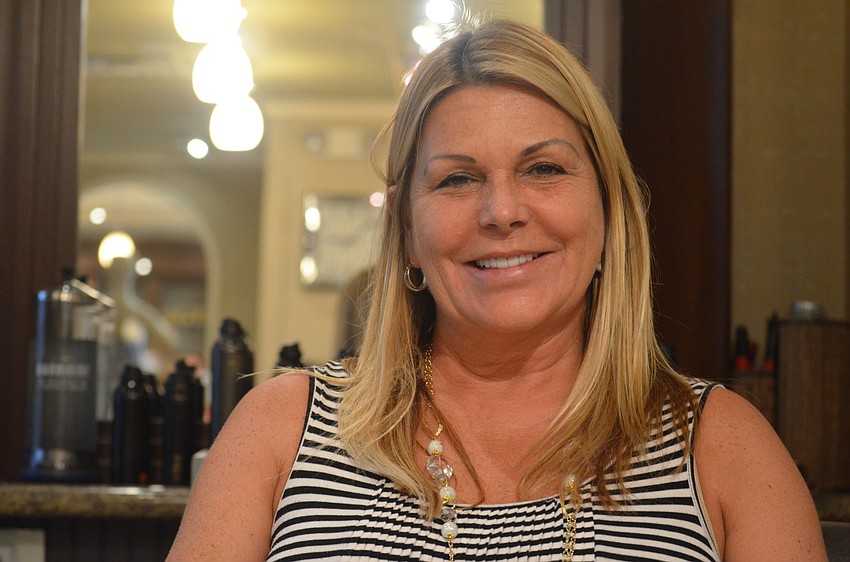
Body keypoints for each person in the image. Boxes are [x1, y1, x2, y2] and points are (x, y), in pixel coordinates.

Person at [167, 19, 827, 562]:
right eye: (457, 179)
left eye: (543, 169)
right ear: (405, 229)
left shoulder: (725, 448)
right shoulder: (280, 431)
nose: (501, 211)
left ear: (608, 212)